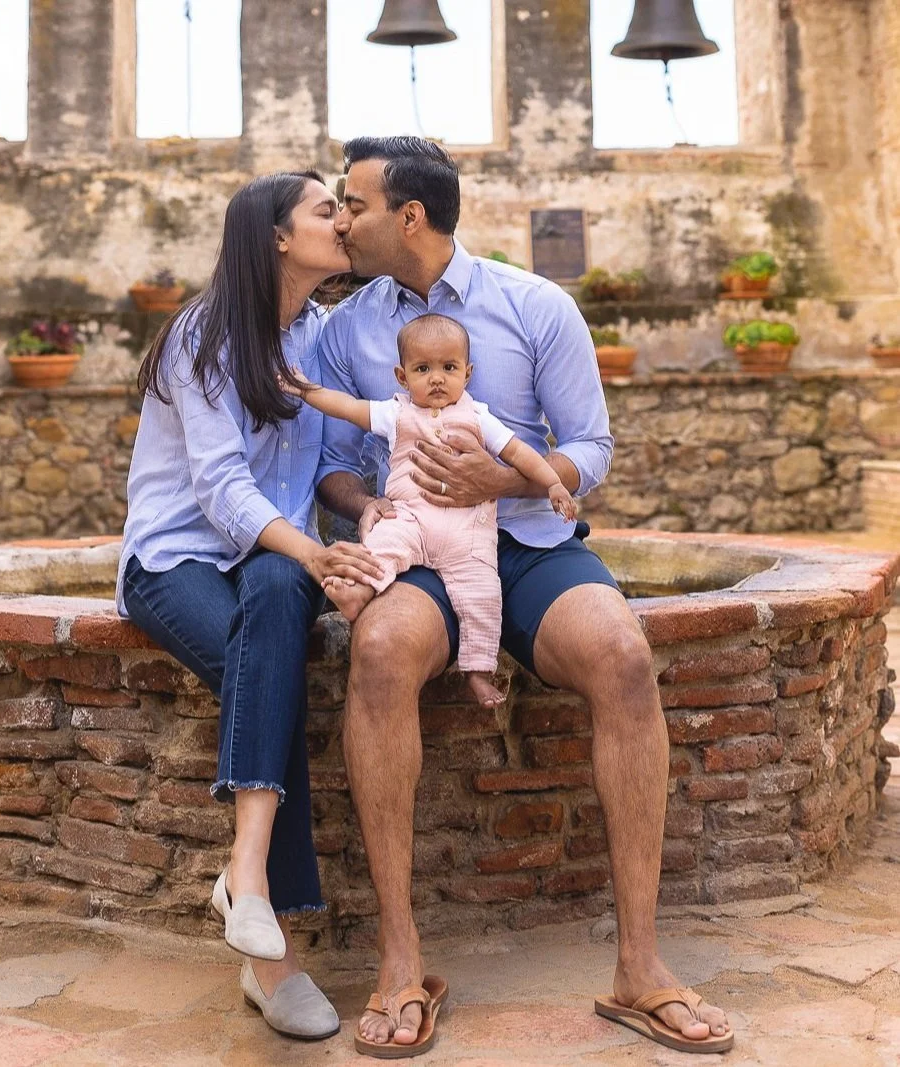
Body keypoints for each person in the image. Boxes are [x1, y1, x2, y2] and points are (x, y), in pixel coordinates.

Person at [315, 136, 734, 1057]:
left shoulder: (536, 304)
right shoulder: (342, 330)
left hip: (531, 551)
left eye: (354, 204)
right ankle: (399, 959)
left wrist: (496, 483)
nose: (341, 220)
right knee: (380, 652)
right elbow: (334, 468)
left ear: (409, 216)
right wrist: (369, 500)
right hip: (418, 558)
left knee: (624, 658)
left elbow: (589, 449)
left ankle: (638, 968)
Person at [116, 170, 382, 1041]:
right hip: (175, 559)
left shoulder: (317, 337)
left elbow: (333, 464)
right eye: (323, 210)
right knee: (264, 665)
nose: (340, 222)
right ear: (273, 234)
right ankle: (271, 956)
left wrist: (364, 513)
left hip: (267, 566)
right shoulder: (202, 335)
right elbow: (221, 486)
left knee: (274, 601)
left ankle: (248, 882)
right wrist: (310, 547)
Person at [281, 312, 575, 708]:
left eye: (448, 368)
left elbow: (521, 453)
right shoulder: (397, 413)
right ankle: (358, 592)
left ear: (467, 373)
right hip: (411, 518)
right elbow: (347, 408)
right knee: (383, 545)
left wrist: (553, 483)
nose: (437, 378)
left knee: (483, 597)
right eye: (423, 369)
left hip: (468, 533)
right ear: (402, 377)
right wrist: (306, 391)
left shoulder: (478, 417)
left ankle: (478, 671)